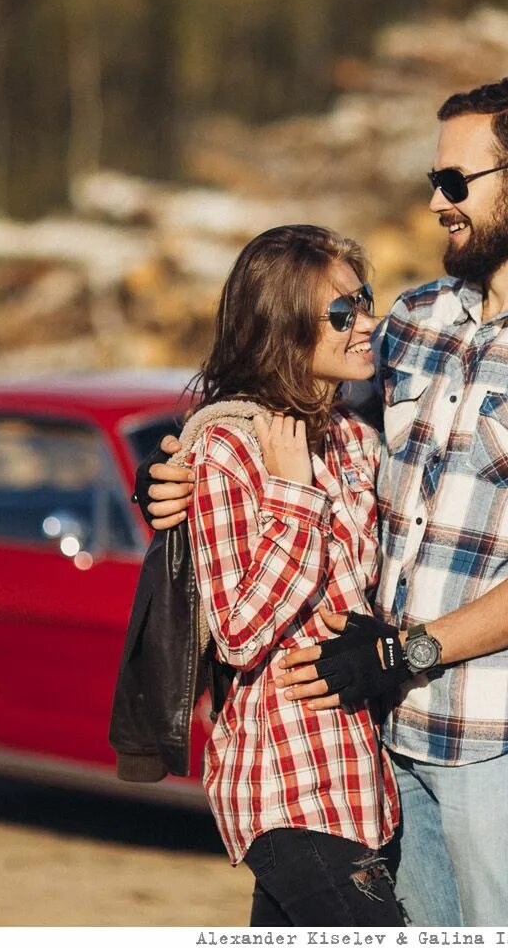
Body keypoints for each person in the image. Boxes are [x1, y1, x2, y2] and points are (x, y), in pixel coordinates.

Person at [141, 80, 508, 926]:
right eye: (435, 181)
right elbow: (291, 391)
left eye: (455, 182)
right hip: (386, 746)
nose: (436, 202)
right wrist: (179, 467)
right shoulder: (417, 322)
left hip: (504, 742)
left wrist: (405, 652)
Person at [176, 224, 404, 926]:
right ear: (281, 329)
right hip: (286, 781)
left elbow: (366, 591)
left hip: (362, 778)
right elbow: (239, 633)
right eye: (342, 314)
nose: (366, 324)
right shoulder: (226, 448)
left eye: (364, 302)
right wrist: (295, 497)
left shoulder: (355, 440)